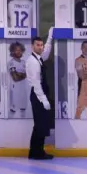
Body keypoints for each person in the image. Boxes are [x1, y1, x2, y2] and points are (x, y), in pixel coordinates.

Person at [27, 29, 54, 159]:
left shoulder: (38, 58)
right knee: (40, 125)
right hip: (38, 95)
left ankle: (34, 152)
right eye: (38, 45)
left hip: (39, 94)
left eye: (41, 45)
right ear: (32, 46)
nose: (40, 47)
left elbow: (46, 53)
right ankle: (38, 153)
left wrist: (50, 38)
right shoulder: (33, 62)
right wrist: (43, 100)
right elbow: (36, 83)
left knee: (39, 125)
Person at [6, 42, 30, 118]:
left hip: (23, 90)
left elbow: (29, 74)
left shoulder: (24, 63)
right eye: (16, 50)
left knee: (23, 111)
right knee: (13, 111)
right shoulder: (11, 63)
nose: (19, 52)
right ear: (12, 51)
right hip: (15, 90)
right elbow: (15, 78)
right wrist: (24, 74)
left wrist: (20, 74)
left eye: (20, 50)